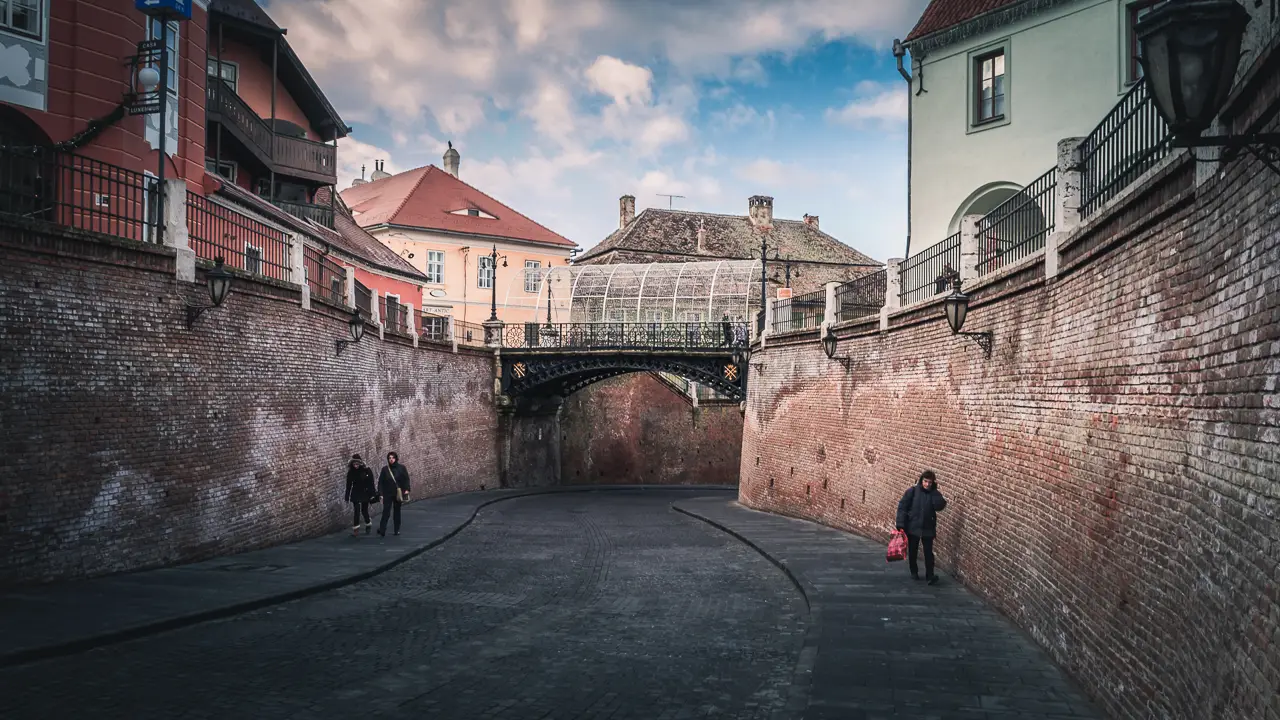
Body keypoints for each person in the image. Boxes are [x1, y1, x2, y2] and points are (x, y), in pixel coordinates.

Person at [895, 470, 947, 584]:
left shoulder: (934, 493)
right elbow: (902, 507)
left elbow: (940, 506)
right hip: (913, 527)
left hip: (928, 528)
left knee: (928, 552)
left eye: (930, 482)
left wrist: (935, 494)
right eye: (925, 481)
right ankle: (914, 572)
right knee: (913, 551)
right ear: (921, 480)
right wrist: (900, 523)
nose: (927, 484)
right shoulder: (912, 491)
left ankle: (930, 575)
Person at [377, 451, 411, 537]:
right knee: (386, 512)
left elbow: (406, 479)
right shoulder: (385, 469)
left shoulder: (401, 468)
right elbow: (381, 482)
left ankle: (397, 529)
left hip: (397, 493)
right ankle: (382, 529)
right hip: (387, 493)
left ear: (396, 458)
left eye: (393, 458)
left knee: (397, 511)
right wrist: (380, 494)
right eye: (389, 458)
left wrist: (406, 489)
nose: (391, 460)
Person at [345, 454, 377, 537]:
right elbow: (348, 485)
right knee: (356, 510)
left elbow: (371, 483)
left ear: (360, 463)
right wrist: (347, 497)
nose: (356, 466)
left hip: (365, 492)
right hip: (355, 493)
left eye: (357, 464)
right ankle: (356, 531)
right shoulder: (351, 472)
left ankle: (368, 523)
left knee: (364, 510)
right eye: (354, 464)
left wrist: (372, 494)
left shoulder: (367, 470)